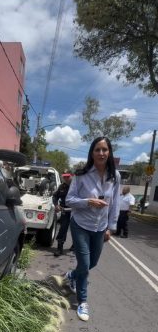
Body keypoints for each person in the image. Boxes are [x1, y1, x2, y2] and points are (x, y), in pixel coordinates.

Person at [61, 137, 120, 322]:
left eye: (104, 149)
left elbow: (115, 203)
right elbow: (68, 201)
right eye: (97, 150)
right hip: (81, 225)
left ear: (109, 152)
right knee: (85, 266)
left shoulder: (115, 176)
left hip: (100, 227)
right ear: (92, 153)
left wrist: (111, 227)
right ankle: (82, 301)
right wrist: (88, 202)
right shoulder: (81, 174)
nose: (101, 153)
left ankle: (71, 275)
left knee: (92, 263)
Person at [52, 172, 73, 256]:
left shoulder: (77, 186)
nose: (66, 178)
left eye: (68, 177)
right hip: (65, 210)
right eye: (65, 177)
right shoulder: (62, 186)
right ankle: (59, 248)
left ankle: (75, 246)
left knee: (76, 230)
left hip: (76, 212)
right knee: (63, 229)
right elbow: (55, 196)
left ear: (72, 176)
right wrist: (56, 205)